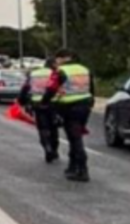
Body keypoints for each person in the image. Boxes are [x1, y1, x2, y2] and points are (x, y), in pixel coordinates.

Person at [42, 49, 95, 182]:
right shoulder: (84, 69)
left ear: (60, 59)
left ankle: (82, 170)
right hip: (85, 105)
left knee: (75, 138)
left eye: (57, 60)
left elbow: (51, 89)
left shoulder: (61, 71)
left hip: (70, 108)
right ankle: (72, 166)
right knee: (75, 136)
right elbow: (92, 88)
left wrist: (44, 103)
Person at [25, 59, 58, 163]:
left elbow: (26, 89)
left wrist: (25, 102)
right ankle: (54, 149)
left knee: (43, 128)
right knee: (53, 128)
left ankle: (47, 147)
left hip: (37, 104)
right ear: (52, 65)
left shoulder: (34, 74)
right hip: (53, 103)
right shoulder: (56, 73)